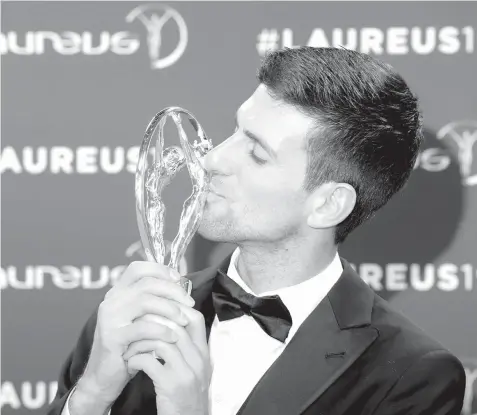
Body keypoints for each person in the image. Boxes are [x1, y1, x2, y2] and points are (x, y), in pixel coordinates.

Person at [46, 47, 466, 415]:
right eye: (235, 131)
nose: (211, 161)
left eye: (256, 153)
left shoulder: (412, 375)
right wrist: (93, 393)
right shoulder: (139, 310)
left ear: (327, 204)